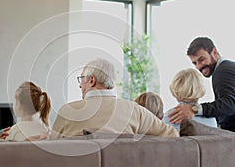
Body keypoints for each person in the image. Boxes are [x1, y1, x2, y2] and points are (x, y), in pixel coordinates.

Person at [51, 58, 179, 139]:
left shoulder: (68, 111)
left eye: (81, 79)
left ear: (91, 80)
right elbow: (172, 135)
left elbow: (49, 150)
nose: (80, 85)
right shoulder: (135, 111)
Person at [169, 37, 235, 132]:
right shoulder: (229, 67)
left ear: (214, 53)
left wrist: (194, 109)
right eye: (195, 63)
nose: (199, 66)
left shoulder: (222, 71)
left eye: (201, 59)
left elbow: (230, 104)